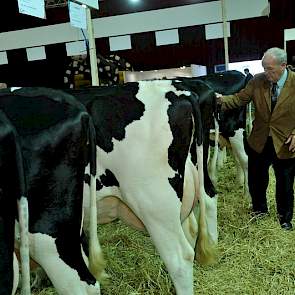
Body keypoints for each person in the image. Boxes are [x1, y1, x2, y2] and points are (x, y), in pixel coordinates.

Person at [216, 47, 295, 230]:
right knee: (256, 180)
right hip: (259, 141)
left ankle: (285, 218)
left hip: (285, 142)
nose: (266, 73)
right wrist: (219, 100)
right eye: (264, 68)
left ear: (283, 66)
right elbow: (239, 99)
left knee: (284, 183)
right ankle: (259, 211)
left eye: (270, 69)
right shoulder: (257, 81)